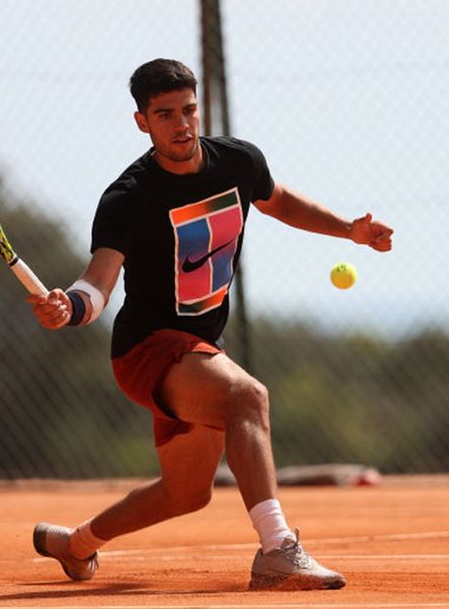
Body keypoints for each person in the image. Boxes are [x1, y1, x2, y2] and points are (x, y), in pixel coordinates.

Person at [26, 58, 393, 591]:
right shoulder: (127, 198)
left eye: (189, 110)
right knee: (248, 397)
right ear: (142, 122)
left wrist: (348, 232)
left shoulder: (238, 162)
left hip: (200, 345)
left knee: (186, 493)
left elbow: (279, 200)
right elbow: (98, 280)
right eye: (165, 114)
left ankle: (74, 545)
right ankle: (277, 550)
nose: (182, 124)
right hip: (147, 350)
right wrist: (72, 305)